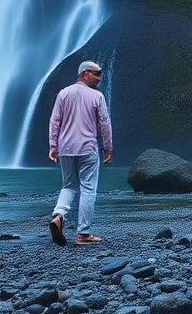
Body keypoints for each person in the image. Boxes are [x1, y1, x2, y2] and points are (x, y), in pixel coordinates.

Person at [47, 60, 113, 246]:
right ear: (84, 73)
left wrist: (53, 145)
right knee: (88, 189)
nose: (100, 78)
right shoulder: (97, 97)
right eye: (96, 73)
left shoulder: (64, 93)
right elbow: (105, 124)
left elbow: (55, 121)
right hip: (87, 148)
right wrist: (108, 148)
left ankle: (59, 215)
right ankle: (83, 234)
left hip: (66, 148)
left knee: (68, 185)